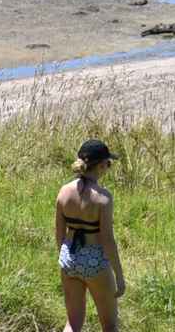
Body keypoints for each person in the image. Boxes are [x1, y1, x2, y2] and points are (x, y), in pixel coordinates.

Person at [56, 139, 125, 332]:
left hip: (69, 257)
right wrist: (119, 276)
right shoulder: (103, 198)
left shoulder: (64, 192)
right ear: (101, 165)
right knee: (109, 325)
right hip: (95, 260)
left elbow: (59, 233)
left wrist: (65, 260)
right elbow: (108, 240)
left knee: (72, 323)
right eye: (108, 164)